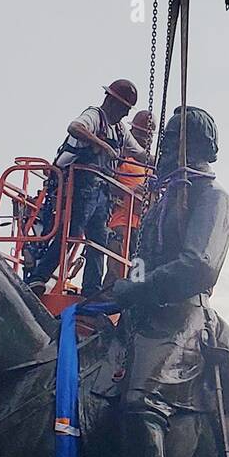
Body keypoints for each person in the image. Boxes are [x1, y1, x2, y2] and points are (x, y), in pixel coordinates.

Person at [105, 105, 229, 457]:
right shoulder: (164, 199)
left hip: (183, 318)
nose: (163, 150)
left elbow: (198, 266)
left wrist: (138, 287)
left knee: (139, 403)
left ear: (190, 146)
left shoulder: (213, 200)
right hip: (143, 316)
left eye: (170, 142)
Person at [29, 79, 144, 297]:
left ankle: (92, 291)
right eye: (124, 109)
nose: (125, 115)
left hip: (102, 190)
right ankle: (39, 276)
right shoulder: (95, 116)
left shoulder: (119, 130)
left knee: (98, 239)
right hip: (80, 183)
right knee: (72, 231)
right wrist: (102, 145)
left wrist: (166, 163)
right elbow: (74, 127)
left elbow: (139, 153)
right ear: (111, 102)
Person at [103, 109, 156, 288]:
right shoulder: (120, 157)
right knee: (116, 268)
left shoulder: (148, 164)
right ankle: (108, 297)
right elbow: (105, 184)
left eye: (146, 136)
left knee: (138, 271)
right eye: (140, 134)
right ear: (132, 131)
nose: (143, 139)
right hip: (121, 222)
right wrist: (130, 190)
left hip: (141, 226)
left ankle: (135, 300)